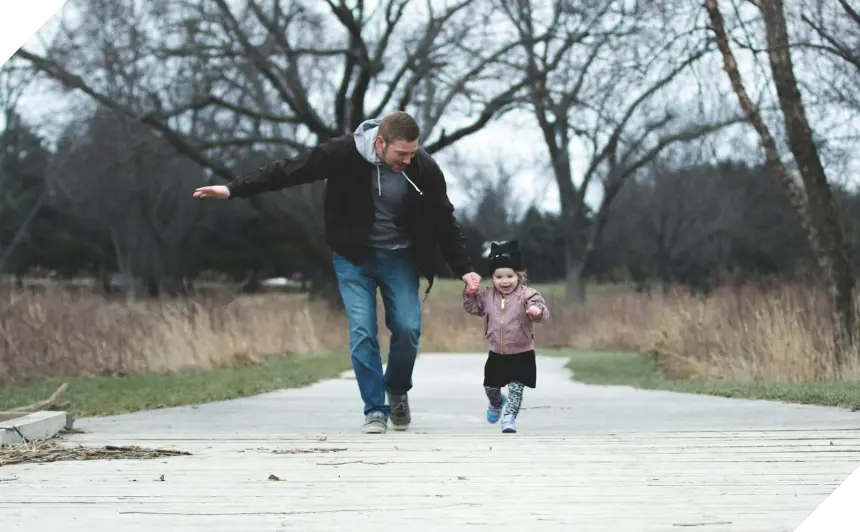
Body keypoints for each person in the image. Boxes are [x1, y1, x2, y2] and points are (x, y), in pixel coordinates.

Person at [192, 111, 481, 434]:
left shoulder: (423, 168)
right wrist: (233, 189)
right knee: (362, 332)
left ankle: (397, 389)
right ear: (380, 142)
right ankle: (375, 409)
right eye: (401, 154)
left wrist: (465, 270)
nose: (407, 160)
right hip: (353, 257)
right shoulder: (343, 153)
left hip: (399, 256)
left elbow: (445, 220)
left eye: (413, 153)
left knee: (408, 328)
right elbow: (290, 170)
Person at [462, 240, 549, 433]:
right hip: (497, 353)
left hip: (522, 353)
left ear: (518, 276)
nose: (505, 281)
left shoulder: (527, 295)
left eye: (510, 276)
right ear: (492, 278)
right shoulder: (487, 297)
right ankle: (497, 402)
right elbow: (473, 308)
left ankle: (509, 419)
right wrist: (469, 294)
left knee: (516, 389)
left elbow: (542, 309)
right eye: (499, 277)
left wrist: (536, 311)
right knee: (491, 388)